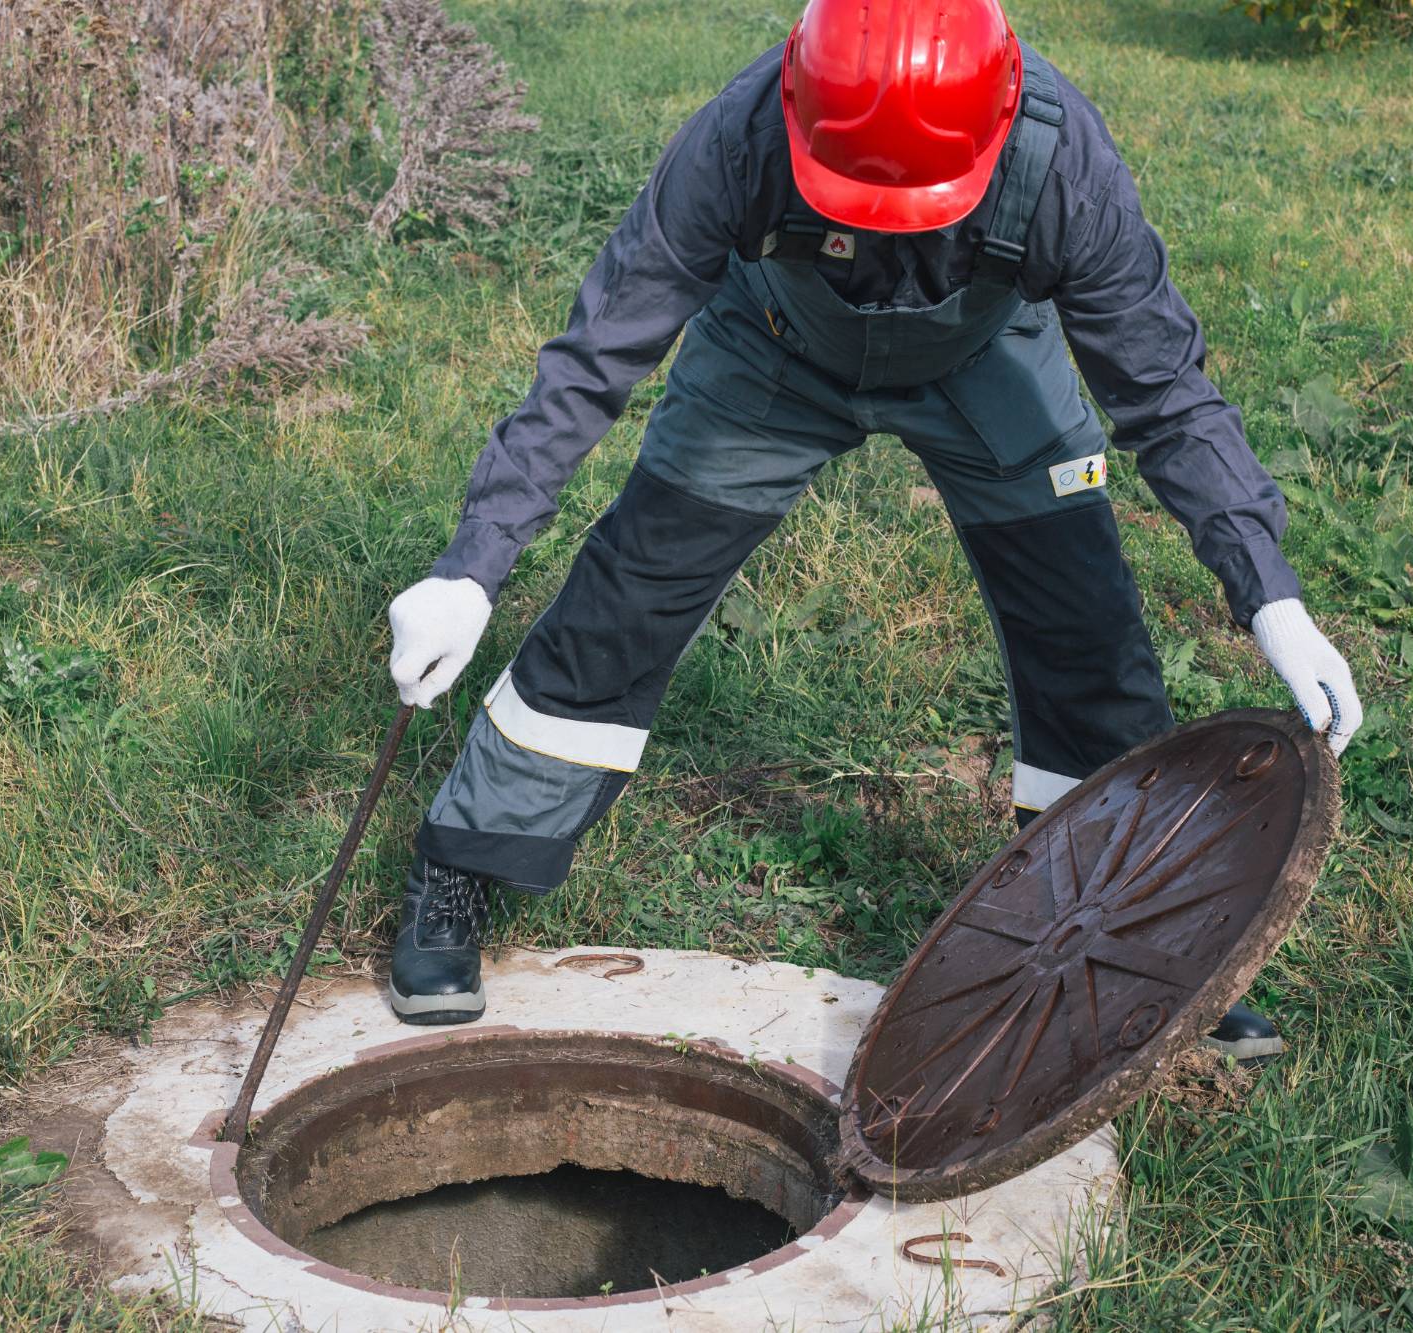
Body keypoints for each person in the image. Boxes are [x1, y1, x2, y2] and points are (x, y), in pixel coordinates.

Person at [380, 0, 1362, 1064]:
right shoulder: (734, 138)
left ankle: (1133, 931)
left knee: (1084, 620)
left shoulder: (1064, 158)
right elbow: (595, 354)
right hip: (771, 353)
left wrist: (1271, 596)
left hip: (986, 365)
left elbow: (1164, 391)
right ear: (798, 109)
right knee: (632, 586)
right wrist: (470, 569)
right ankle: (462, 862)